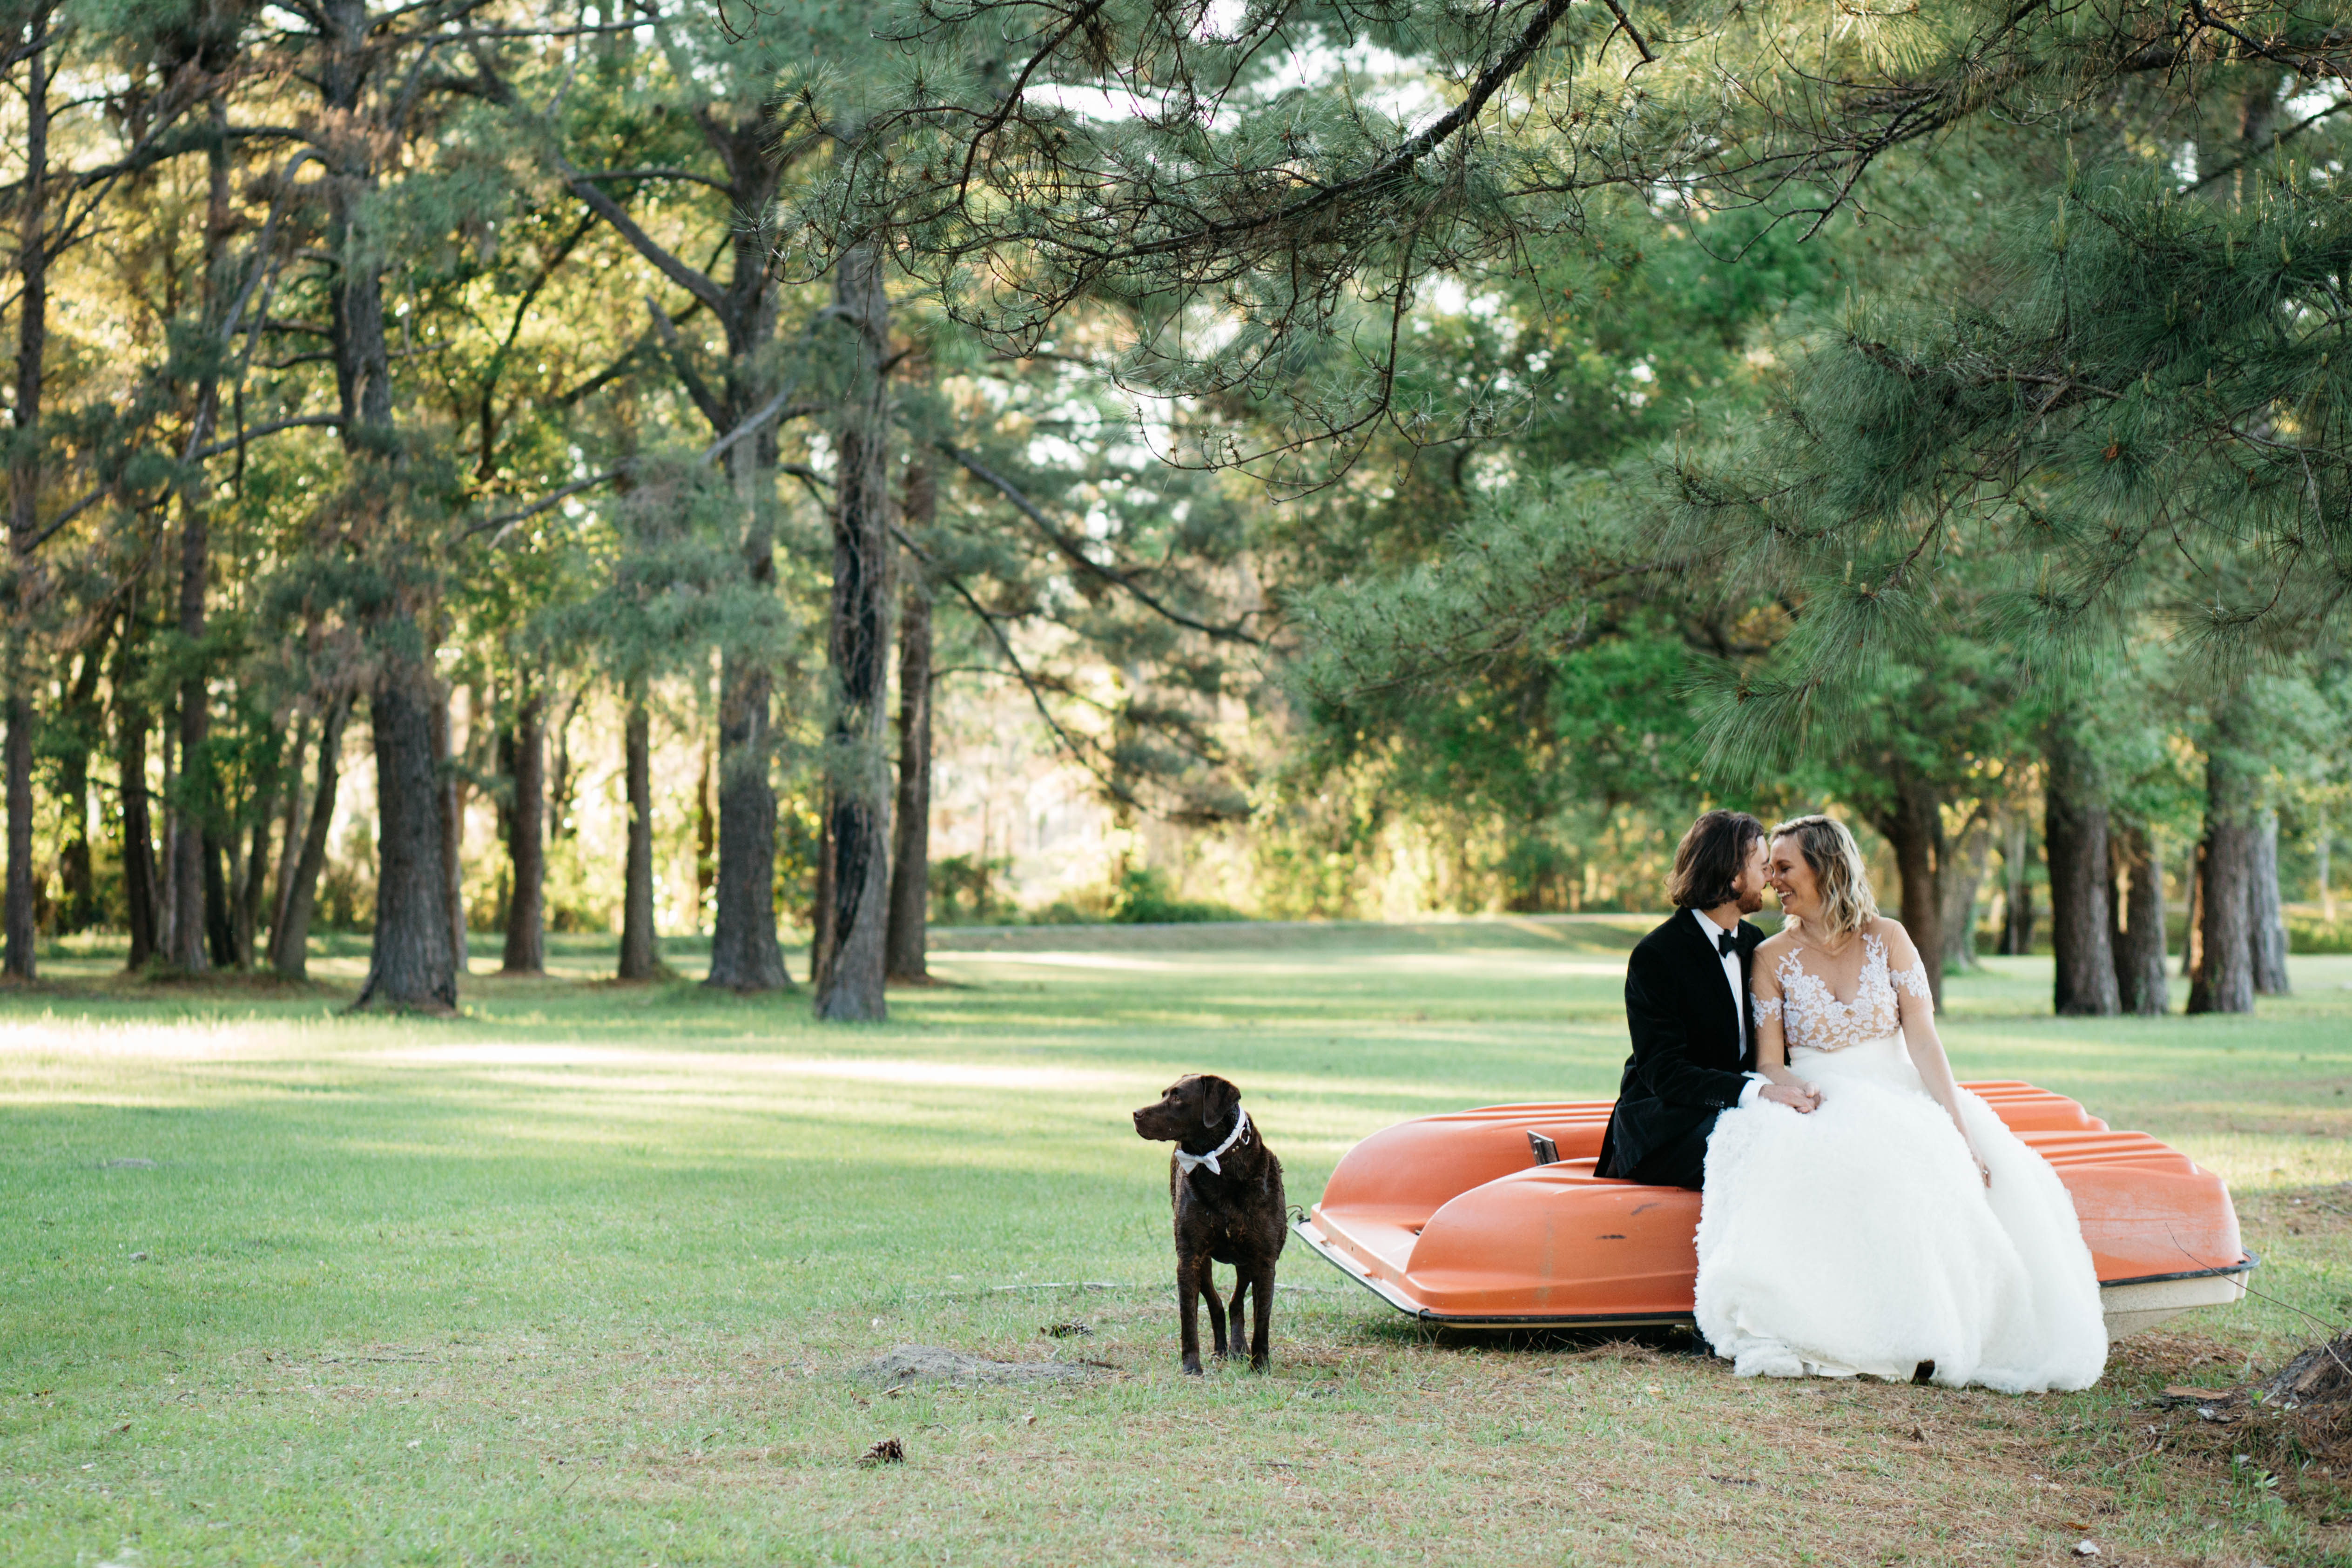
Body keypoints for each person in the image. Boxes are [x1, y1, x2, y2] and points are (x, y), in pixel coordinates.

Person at [1693, 814, 2108, 1392]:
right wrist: (1790, 1092)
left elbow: (1923, 1039)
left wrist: (1959, 1127)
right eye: (1772, 868)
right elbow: (1768, 1059)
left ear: (1826, 867)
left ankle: (1943, 1327)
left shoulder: (1887, 937)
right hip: (1819, 1092)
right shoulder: (1769, 956)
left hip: (1896, 1087)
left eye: (1785, 867)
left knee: (1937, 1163)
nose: (1774, 879)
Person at [1597, 810, 1821, 1189]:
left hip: (1736, 1110)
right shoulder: (1656, 955)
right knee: (1768, 1148)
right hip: (1667, 1125)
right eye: (1763, 866)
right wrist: (1758, 1093)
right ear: (1733, 876)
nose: (1770, 877)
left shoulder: (1755, 944)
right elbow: (1664, 1071)